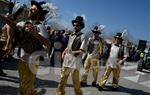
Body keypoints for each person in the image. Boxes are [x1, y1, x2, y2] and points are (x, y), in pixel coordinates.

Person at [15, 1, 50, 95]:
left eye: (34, 9)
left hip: (32, 62)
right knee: (25, 84)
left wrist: (36, 34)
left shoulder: (40, 26)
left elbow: (47, 43)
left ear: (38, 14)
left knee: (23, 89)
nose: (30, 9)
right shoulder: (24, 23)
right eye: (31, 8)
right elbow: (15, 26)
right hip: (22, 60)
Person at [56, 16, 87, 95]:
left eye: (77, 25)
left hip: (75, 62)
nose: (75, 27)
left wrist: (71, 51)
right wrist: (63, 52)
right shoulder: (71, 35)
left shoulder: (83, 36)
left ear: (81, 26)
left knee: (75, 82)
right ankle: (60, 93)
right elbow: (68, 46)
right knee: (62, 79)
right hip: (67, 60)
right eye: (74, 25)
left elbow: (82, 50)